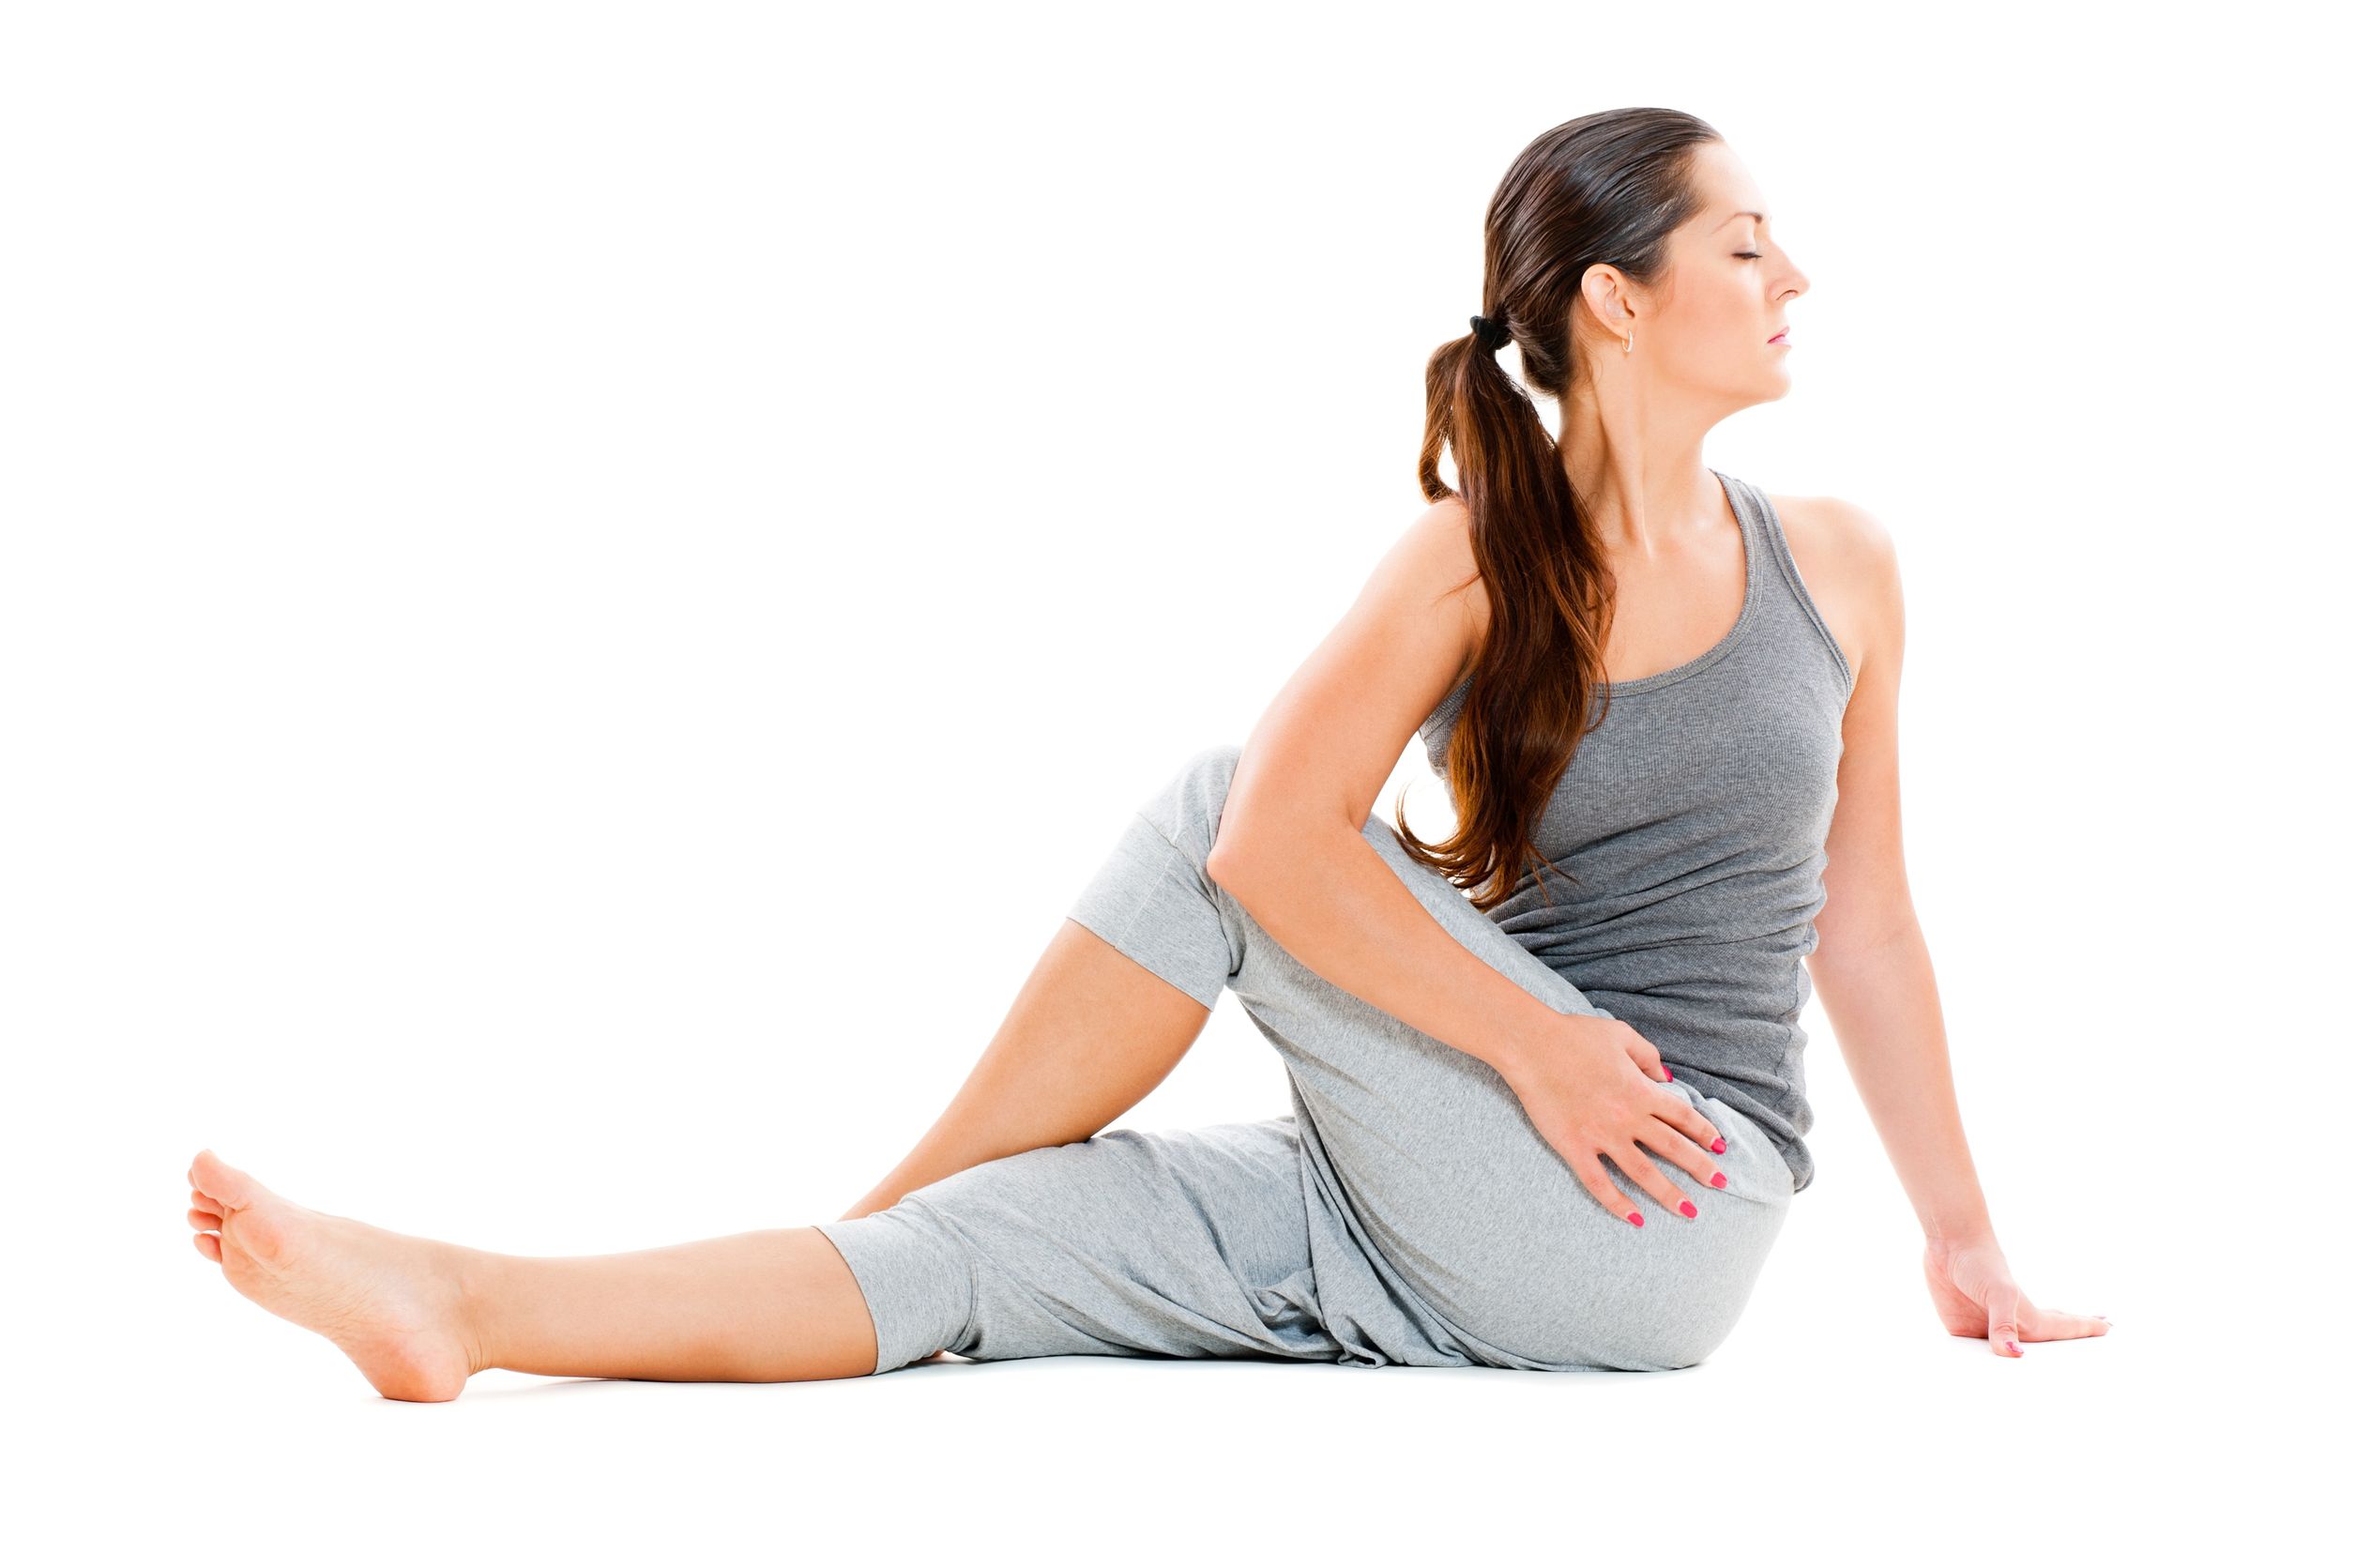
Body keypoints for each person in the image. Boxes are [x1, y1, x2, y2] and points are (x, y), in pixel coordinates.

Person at [183, 108, 2109, 1401]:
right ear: (1615, 300)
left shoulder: (1838, 562)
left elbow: (1862, 922)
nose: (1792, 280)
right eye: (1747, 247)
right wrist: (1527, 1045)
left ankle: (871, 1202)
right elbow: (1295, 859)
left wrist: (1964, 1244)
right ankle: (465, 1305)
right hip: (1442, 1179)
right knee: (975, 1252)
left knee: (1222, 807)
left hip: (1659, 1204)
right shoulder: (1473, 558)